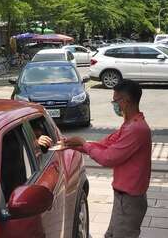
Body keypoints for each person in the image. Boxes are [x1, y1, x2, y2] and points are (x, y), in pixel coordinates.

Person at [62, 80, 151, 238]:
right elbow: (105, 145)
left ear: (126, 101)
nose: (114, 105)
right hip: (123, 198)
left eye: (115, 100)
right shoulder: (129, 124)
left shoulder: (136, 129)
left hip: (129, 201)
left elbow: (108, 158)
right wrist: (74, 145)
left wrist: (83, 143)